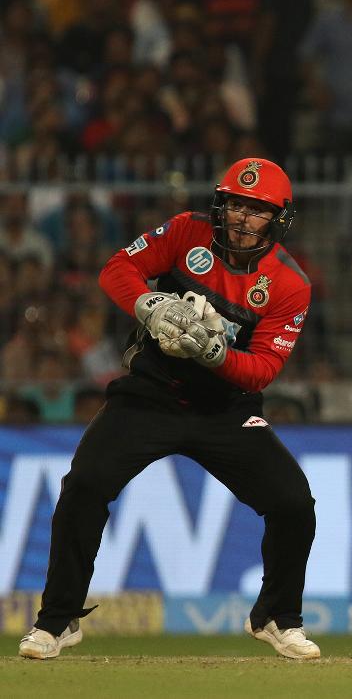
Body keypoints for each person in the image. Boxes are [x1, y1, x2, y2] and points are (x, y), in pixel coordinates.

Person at [18, 158, 320, 660]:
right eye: (236, 205)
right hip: (151, 395)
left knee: (293, 504)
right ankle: (57, 620)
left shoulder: (290, 283)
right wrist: (151, 306)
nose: (243, 219)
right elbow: (118, 269)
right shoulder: (186, 232)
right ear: (220, 206)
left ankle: (277, 617)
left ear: (278, 219)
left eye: (257, 210)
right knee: (85, 485)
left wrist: (215, 353)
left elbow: (263, 369)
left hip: (226, 409)